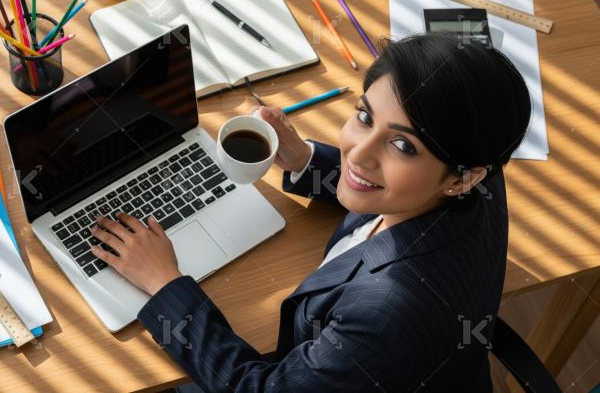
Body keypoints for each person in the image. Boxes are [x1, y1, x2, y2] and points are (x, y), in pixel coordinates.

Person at [87, 34, 532, 391]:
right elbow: (389, 174)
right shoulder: (478, 164)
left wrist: (163, 284)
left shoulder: (383, 315)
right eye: (364, 116)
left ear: (464, 178)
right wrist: (302, 160)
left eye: (402, 145)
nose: (358, 153)